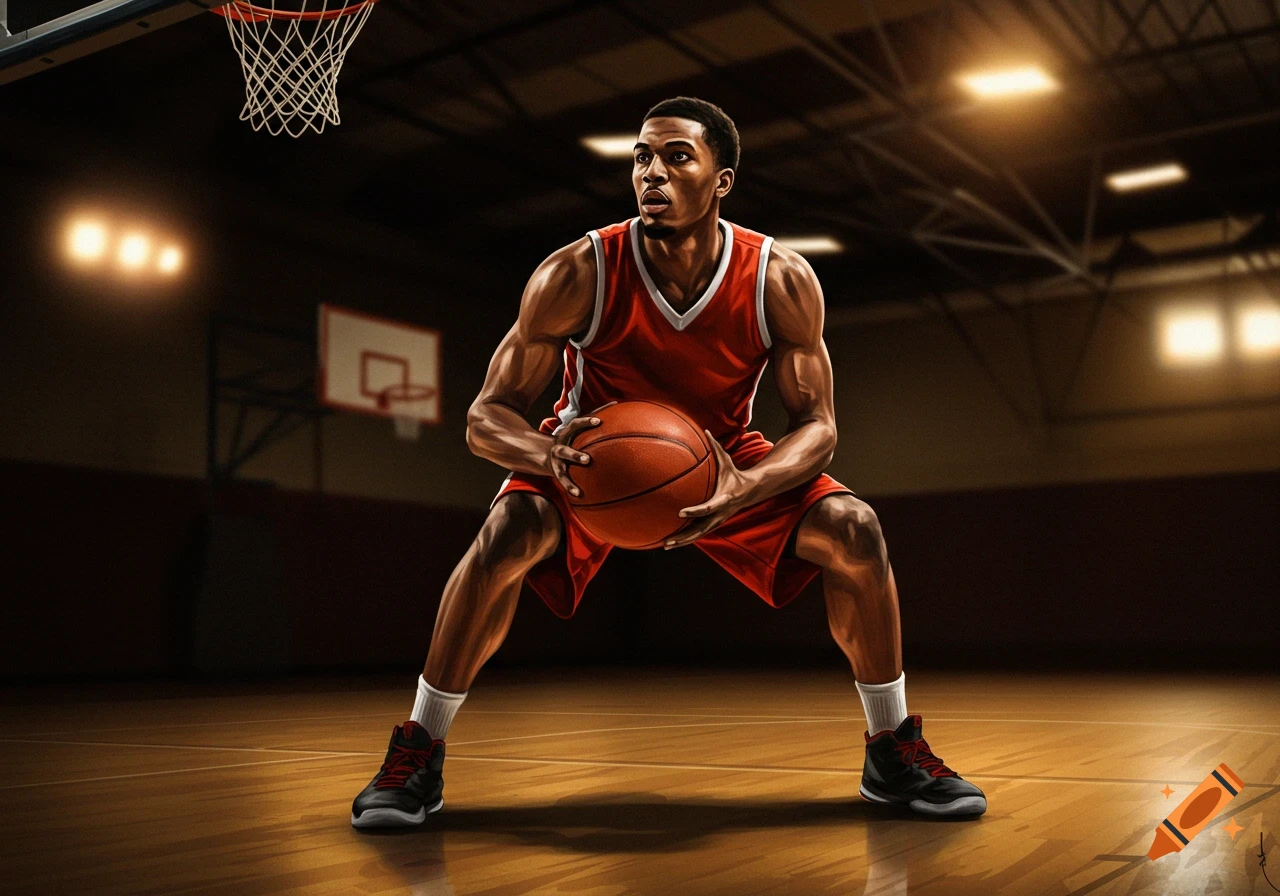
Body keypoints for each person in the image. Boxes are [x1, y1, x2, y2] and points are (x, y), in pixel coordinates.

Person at [351, 96, 986, 828]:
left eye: (676, 157)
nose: (652, 172)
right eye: (642, 158)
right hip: (585, 454)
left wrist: (747, 483)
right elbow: (484, 418)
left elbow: (818, 429)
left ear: (722, 180)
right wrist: (547, 452)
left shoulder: (777, 277)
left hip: (719, 453)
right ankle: (417, 754)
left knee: (855, 530)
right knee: (504, 537)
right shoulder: (577, 272)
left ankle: (892, 751)